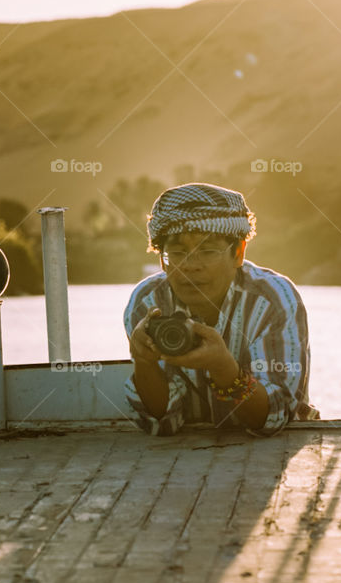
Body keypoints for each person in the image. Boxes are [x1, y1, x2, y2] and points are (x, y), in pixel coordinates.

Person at [123, 182, 318, 436]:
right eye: (178, 253)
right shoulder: (146, 303)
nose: (191, 266)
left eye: (207, 251)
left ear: (238, 253)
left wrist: (224, 368)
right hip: (181, 456)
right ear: (162, 259)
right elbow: (162, 421)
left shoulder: (273, 300)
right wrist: (143, 361)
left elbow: (275, 417)